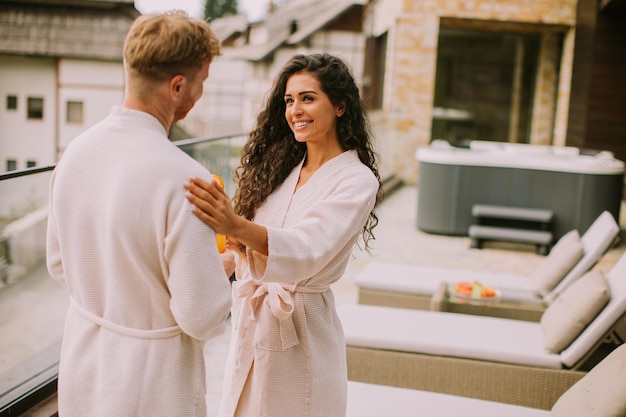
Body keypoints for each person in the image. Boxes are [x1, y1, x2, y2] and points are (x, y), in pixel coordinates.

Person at [46, 11, 233, 417]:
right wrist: (230, 261)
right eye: (202, 81)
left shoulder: (75, 153)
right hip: (151, 385)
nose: (200, 92)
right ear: (177, 86)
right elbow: (200, 316)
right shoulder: (189, 181)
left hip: (83, 366)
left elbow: (59, 264)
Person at [184, 53, 383, 417]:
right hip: (254, 321)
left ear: (340, 106)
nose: (295, 110)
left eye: (308, 98)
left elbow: (308, 248)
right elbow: (242, 253)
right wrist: (195, 270)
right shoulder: (281, 170)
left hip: (301, 331)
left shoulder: (356, 180)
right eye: (289, 101)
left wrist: (234, 225)